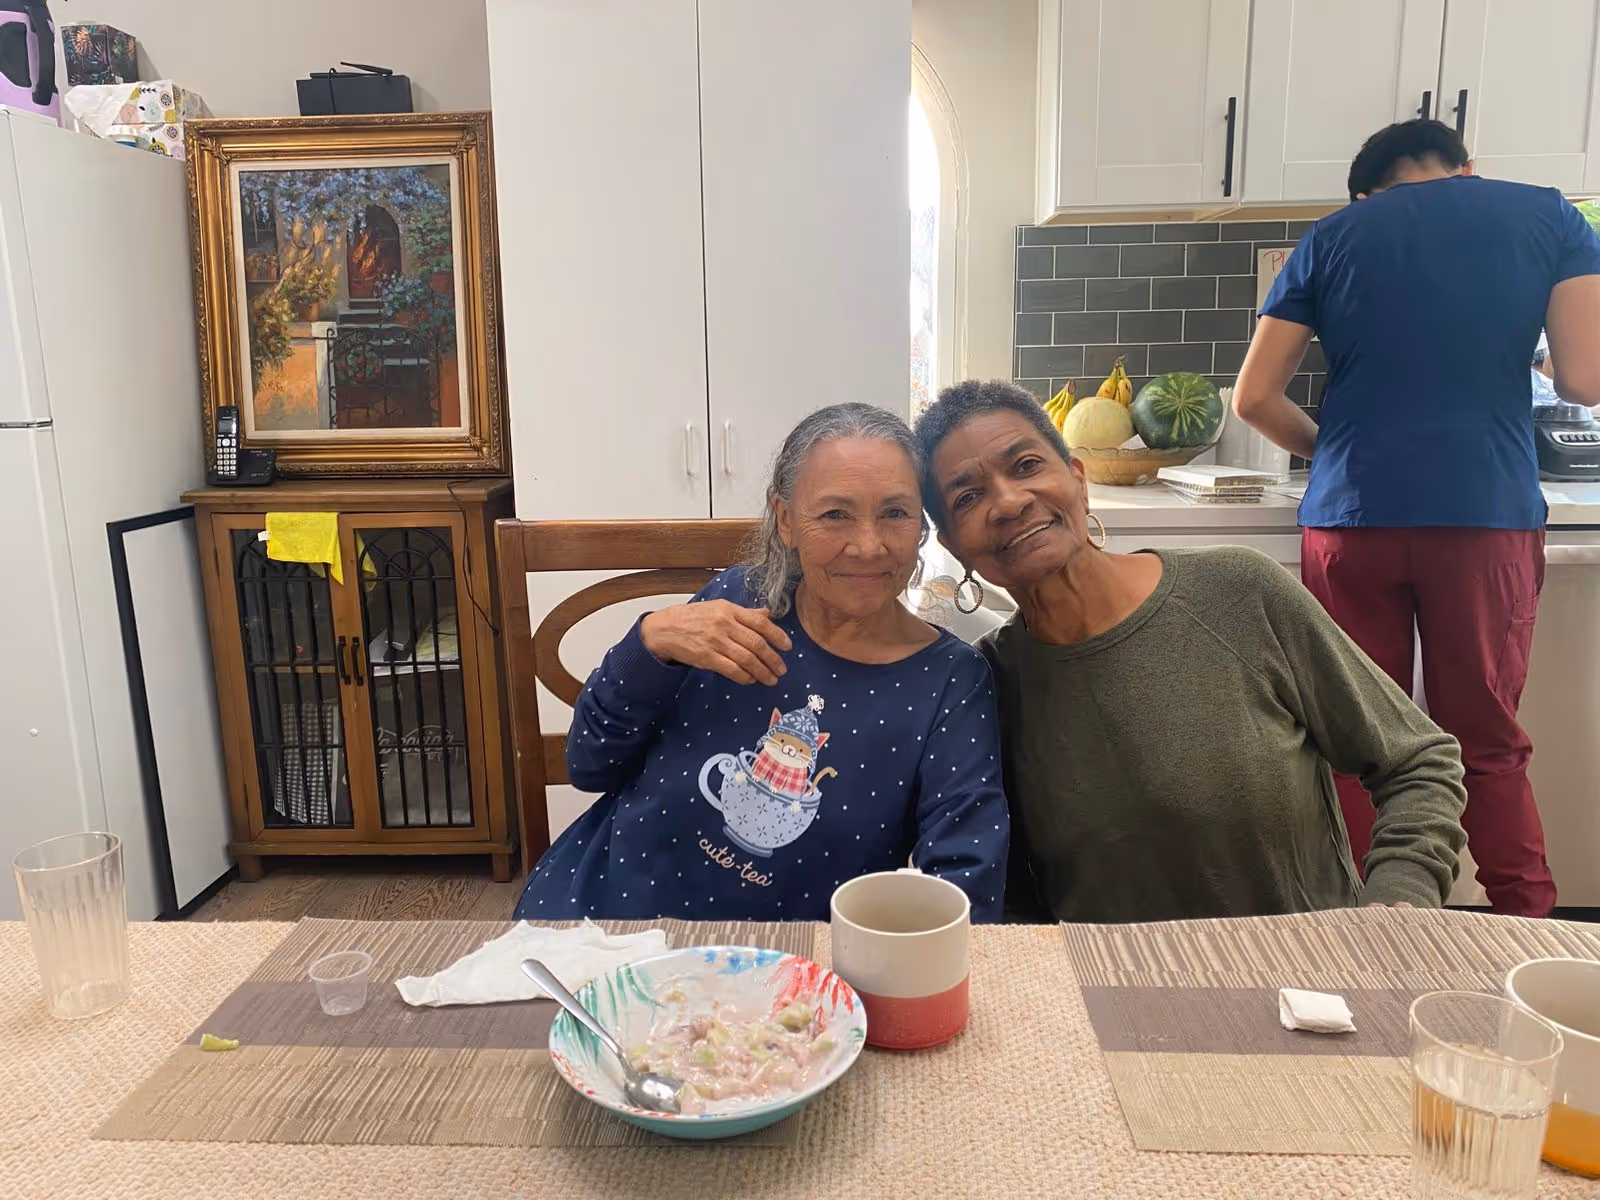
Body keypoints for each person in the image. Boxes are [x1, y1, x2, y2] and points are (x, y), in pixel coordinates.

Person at [913, 380, 1467, 925]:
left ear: (1078, 480)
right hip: (1120, 1002)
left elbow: (1417, 761)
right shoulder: (981, 686)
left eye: (1027, 465)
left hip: (1311, 989)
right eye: (968, 496)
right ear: (953, 546)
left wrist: (1400, 897)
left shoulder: (1238, 592)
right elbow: (1014, 893)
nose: (1009, 501)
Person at [1233, 118, 1600, 917]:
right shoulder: (1550, 215)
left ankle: (1367, 929)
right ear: (1467, 167)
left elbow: (1252, 399)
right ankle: (1524, 934)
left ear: (1369, 190)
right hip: (1483, 515)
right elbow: (1585, 377)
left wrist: (1333, 451)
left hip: (1352, 517)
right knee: (1487, 743)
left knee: (1359, 740)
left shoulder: (1331, 237)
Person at [514, 402, 1008, 923]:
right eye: (835, 514)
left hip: (779, 976)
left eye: (895, 513)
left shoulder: (949, 682)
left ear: (922, 527)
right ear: (786, 519)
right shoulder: (734, 602)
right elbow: (589, 765)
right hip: (595, 921)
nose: (868, 546)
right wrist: (650, 644)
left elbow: (966, 887)